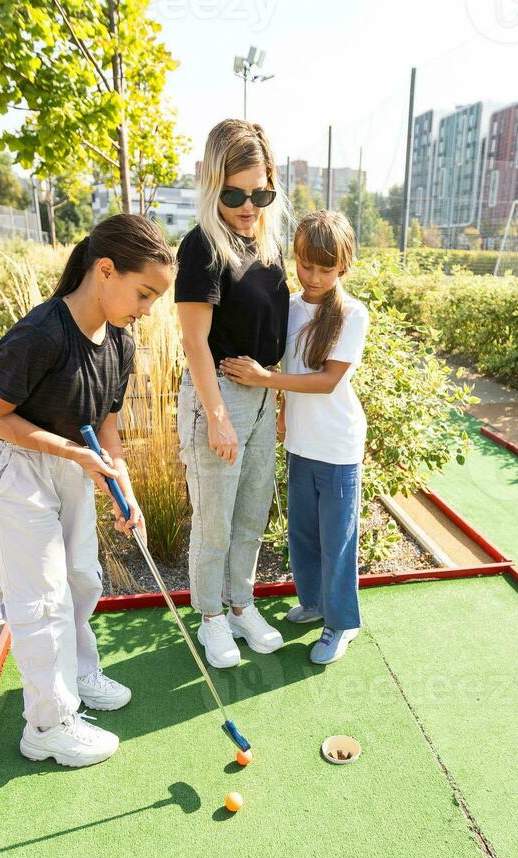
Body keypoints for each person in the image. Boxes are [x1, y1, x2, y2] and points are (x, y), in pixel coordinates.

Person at [0, 214, 174, 767]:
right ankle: (47, 723)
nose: (148, 308)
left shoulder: (120, 345)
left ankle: (80, 675)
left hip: (73, 465)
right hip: (19, 467)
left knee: (83, 577)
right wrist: (69, 453)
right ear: (105, 270)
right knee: (42, 598)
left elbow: (107, 430)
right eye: (144, 293)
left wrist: (123, 494)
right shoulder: (39, 334)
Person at [222, 210, 368, 665]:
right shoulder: (291, 305)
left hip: (339, 447)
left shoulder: (352, 313)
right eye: (306, 264)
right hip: (302, 442)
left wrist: (266, 382)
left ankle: (341, 623)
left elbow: (326, 381)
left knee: (336, 541)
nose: (314, 276)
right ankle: (314, 604)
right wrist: (283, 413)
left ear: (343, 266)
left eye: (326, 268)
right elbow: (293, 368)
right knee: (303, 535)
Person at [174, 119, 291, 669]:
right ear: (213, 185)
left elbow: (275, 335)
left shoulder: (265, 244)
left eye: (261, 192)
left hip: (263, 397)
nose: (249, 205)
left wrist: (280, 399)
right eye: (235, 194)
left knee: (251, 513)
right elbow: (194, 341)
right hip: (216, 396)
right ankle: (211, 619)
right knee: (213, 518)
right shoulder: (201, 246)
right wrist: (216, 415)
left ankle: (241, 604)